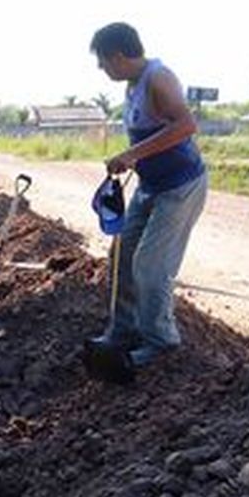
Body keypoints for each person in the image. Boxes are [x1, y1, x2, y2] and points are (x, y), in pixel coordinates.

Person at [89, 22, 209, 367]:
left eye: (103, 61)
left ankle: (161, 341)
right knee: (122, 255)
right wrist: (133, 160)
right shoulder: (132, 86)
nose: (102, 69)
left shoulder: (160, 78)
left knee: (150, 266)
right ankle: (123, 330)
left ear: (119, 55)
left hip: (180, 187)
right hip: (150, 187)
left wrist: (132, 154)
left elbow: (186, 126)